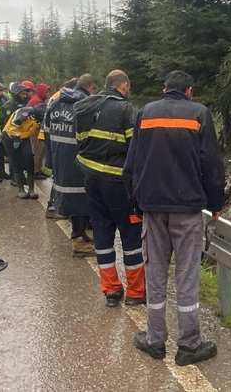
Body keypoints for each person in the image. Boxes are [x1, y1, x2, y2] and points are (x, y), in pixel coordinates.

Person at [123, 70, 225, 366]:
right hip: (187, 208)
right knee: (186, 274)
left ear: (164, 89)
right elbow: (212, 164)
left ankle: (155, 341)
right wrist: (215, 202)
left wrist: (136, 203)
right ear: (189, 91)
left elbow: (132, 162)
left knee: (155, 272)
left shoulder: (146, 113)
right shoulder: (200, 114)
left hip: (153, 208)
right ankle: (189, 345)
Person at [74, 70, 145, 307]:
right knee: (131, 234)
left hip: (92, 181)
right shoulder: (124, 109)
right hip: (118, 184)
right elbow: (136, 149)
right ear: (123, 86)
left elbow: (80, 141)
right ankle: (135, 292)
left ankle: (111, 290)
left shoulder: (84, 108)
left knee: (102, 235)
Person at [45, 74, 99, 256]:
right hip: (79, 159)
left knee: (69, 197)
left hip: (59, 156)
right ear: (90, 89)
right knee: (83, 198)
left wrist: (50, 159)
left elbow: (46, 131)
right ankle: (78, 240)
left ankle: (80, 234)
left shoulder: (55, 101)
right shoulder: (86, 104)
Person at [28, 83, 51, 179]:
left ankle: (39, 169)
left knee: (40, 150)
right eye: (47, 92)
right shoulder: (37, 101)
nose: (48, 94)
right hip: (35, 129)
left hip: (37, 128)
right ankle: (35, 171)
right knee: (37, 150)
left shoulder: (38, 100)